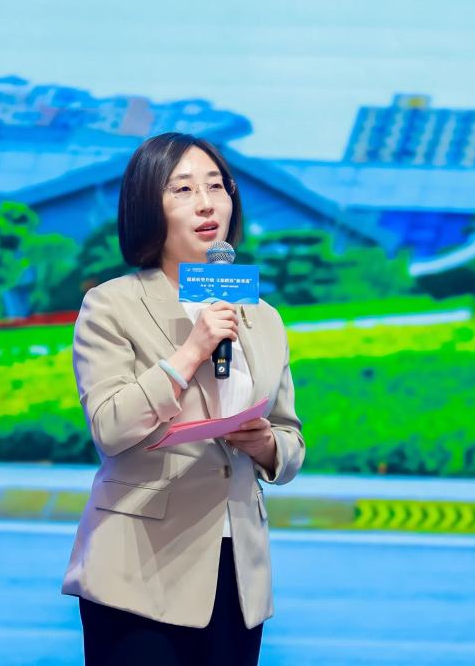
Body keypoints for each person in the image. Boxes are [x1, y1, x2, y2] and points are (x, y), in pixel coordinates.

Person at [61, 132, 305, 665]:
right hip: (138, 567)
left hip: (236, 569)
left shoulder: (263, 317)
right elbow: (110, 428)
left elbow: (290, 440)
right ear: (148, 206)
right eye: (184, 189)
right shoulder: (112, 305)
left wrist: (265, 444)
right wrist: (191, 351)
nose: (206, 203)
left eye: (216, 187)